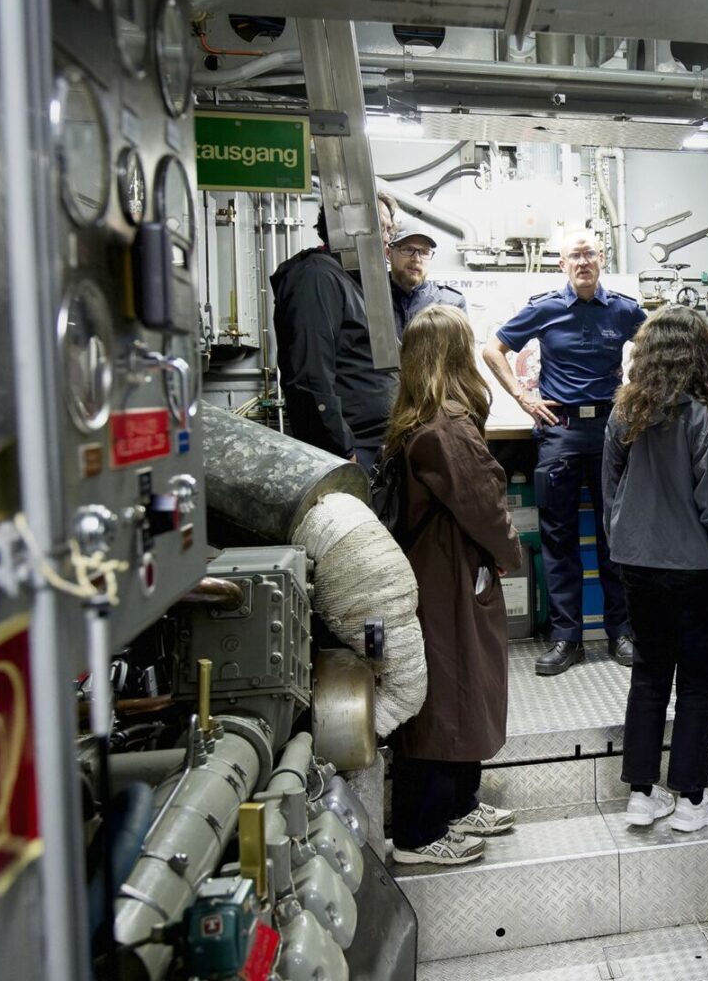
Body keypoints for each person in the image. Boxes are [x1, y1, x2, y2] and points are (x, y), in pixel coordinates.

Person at [383, 304, 523, 865]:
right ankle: (419, 833)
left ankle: (460, 805)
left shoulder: (419, 419)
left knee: (462, 690)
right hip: (448, 579)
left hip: (441, 572)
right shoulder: (446, 427)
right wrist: (508, 553)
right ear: (454, 355)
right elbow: (484, 505)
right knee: (445, 696)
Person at [604, 307, 708, 833]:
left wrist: (622, 543)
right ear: (700, 358)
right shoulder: (703, 420)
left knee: (648, 675)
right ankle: (692, 801)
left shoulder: (624, 414)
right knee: (697, 683)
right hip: (694, 571)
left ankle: (641, 796)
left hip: (636, 564)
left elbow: (611, 489)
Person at [483, 229, 645, 676]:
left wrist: (639, 394)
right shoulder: (545, 309)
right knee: (559, 539)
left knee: (617, 534)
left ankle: (621, 633)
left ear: (602, 257)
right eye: (574, 256)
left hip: (613, 431)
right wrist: (523, 397)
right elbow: (492, 349)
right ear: (561, 264)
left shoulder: (625, 309)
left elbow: (659, 346)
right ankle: (565, 638)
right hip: (561, 430)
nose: (583, 262)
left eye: (590, 253)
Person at [270, 207, 397, 469]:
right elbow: (310, 375)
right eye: (381, 227)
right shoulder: (317, 276)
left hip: (371, 447)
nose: (387, 238)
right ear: (349, 227)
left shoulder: (348, 279)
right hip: (348, 452)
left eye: (389, 229)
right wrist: (341, 450)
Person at [386, 210, 467, 336]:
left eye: (424, 252)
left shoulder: (450, 304)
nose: (416, 259)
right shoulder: (367, 296)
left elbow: (460, 354)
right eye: (408, 249)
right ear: (388, 253)